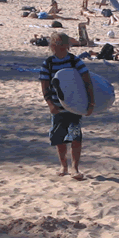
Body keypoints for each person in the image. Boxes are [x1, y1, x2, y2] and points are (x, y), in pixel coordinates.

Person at [39, 31, 93, 180]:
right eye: (57, 44)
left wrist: (91, 102)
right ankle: (63, 166)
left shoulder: (74, 61)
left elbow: (87, 80)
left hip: (75, 106)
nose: (60, 47)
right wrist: (50, 104)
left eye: (63, 44)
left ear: (67, 46)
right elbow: (45, 86)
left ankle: (75, 167)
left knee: (75, 137)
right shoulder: (48, 63)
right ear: (52, 46)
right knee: (59, 138)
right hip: (57, 107)